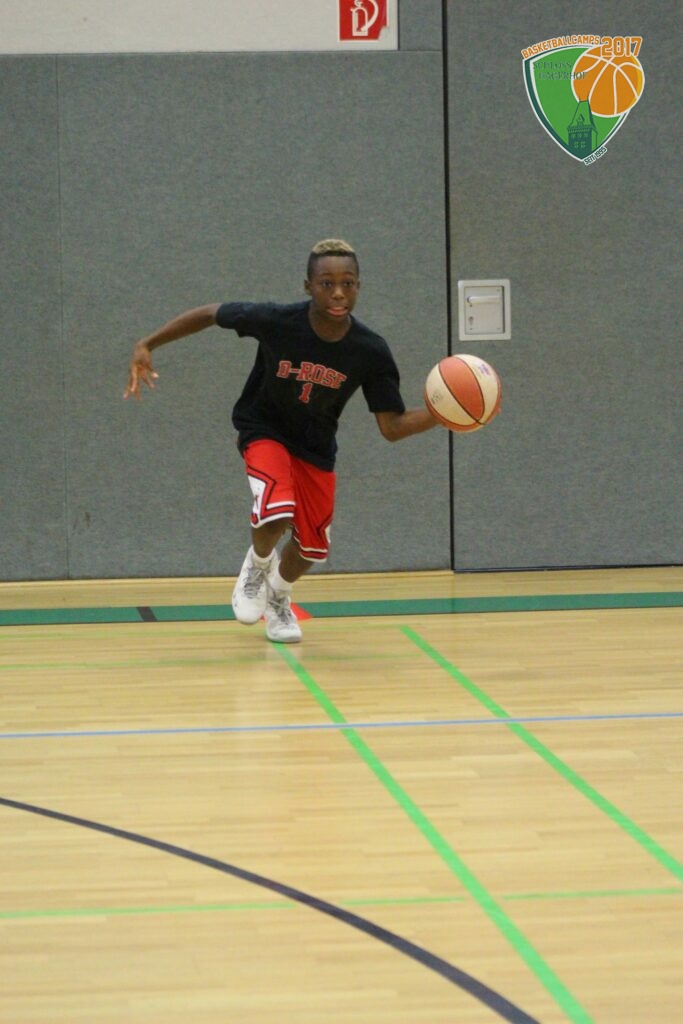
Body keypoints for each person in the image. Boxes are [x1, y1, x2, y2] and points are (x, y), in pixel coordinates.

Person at [124, 239, 439, 643]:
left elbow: (392, 426)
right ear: (308, 286)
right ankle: (257, 565)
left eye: (347, 283)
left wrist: (442, 414)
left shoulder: (370, 350)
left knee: (312, 549)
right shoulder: (276, 320)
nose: (338, 293)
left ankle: (278, 597)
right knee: (276, 509)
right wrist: (147, 343)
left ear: (359, 286)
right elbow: (209, 314)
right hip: (264, 429)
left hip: (315, 447)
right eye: (326, 283)